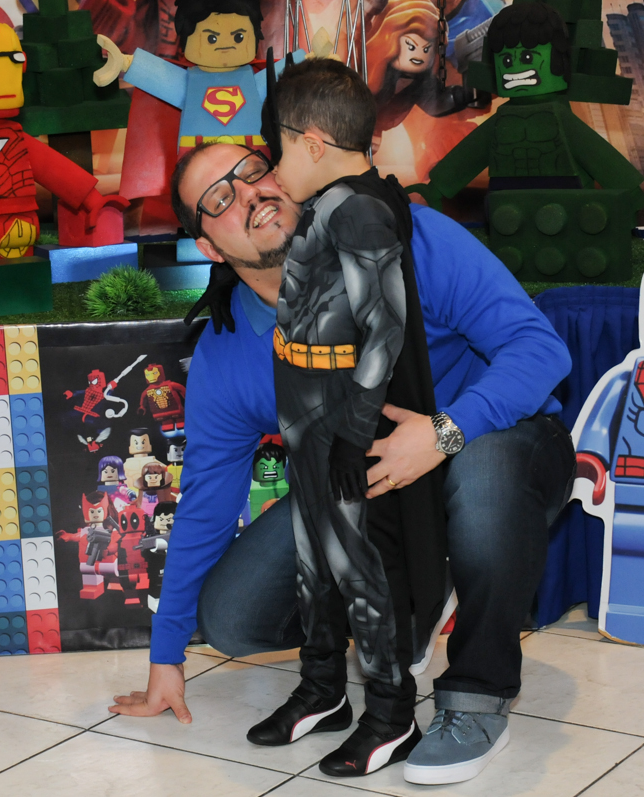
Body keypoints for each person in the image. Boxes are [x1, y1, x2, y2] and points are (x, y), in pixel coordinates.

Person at [109, 141, 575, 785]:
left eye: (253, 172)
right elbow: (207, 507)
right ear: (210, 248)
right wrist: (166, 658)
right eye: (219, 199)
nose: (247, 194)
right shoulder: (228, 350)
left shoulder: (403, 237)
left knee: (487, 478)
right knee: (233, 617)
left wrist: (445, 431)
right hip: (367, 488)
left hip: (495, 441)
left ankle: (474, 697)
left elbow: (539, 349)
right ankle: (417, 590)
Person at [240, 58, 448, 777]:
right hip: (306, 409)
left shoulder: (359, 207)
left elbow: (385, 326)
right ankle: (323, 688)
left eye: (278, 147)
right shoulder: (332, 205)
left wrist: (356, 431)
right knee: (313, 563)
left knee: (361, 568)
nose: (273, 167)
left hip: (339, 415)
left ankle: (391, 714)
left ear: (314, 143)